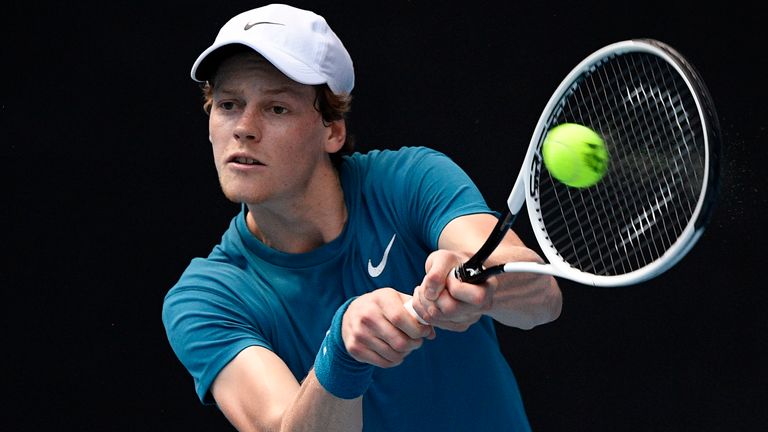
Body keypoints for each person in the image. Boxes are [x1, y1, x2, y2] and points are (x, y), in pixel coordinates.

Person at [162, 4, 562, 431]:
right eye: (228, 104)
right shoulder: (206, 299)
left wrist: (483, 284)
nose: (244, 128)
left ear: (332, 131)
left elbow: (543, 299)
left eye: (277, 108)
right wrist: (342, 354)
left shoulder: (410, 180)